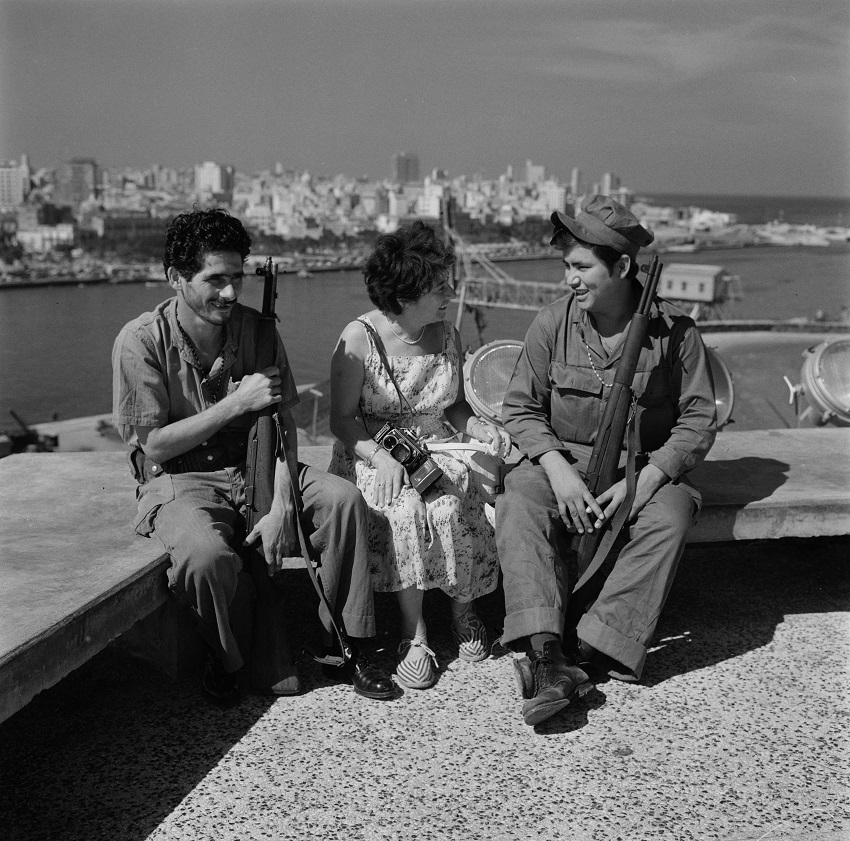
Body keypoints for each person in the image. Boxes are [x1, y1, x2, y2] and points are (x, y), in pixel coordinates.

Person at [112, 208, 394, 705]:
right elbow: (152, 443)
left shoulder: (258, 331)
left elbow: (285, 423)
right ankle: (227, 660)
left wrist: (282, 503)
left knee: (343, 500)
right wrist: (236, 403)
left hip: (261, 465)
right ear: (175, 278)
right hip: (181, 477)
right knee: (204, 558)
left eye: (236, 279)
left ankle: (346, 644)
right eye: (214, 280)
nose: (229, 293)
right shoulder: (140, 342)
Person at [496, 196, 717, 726]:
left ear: (620, 267)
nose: (568, 279)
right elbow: (520, 408)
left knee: (670, 516)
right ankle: (547, 654)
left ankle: (590, 650)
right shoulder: (552, 323)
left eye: (580, 267)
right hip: (562, 464)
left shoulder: (675, 334)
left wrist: (648, 479)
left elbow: (699, 420)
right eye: (565, 266)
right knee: (520, 500)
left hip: (641, 467)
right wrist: (555, 468)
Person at [328, 221, 511, 690]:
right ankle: (414, 631)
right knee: (406, 509)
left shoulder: (447, 332)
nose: (450, 293)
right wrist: (382, 459)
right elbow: (343, 420)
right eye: (438, 287)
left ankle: (462, 609)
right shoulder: (358, 338)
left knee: (452, 500)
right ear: (406, 296)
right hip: (376, 450)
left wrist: (478, 425)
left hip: (436, 445)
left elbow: (452, 403)